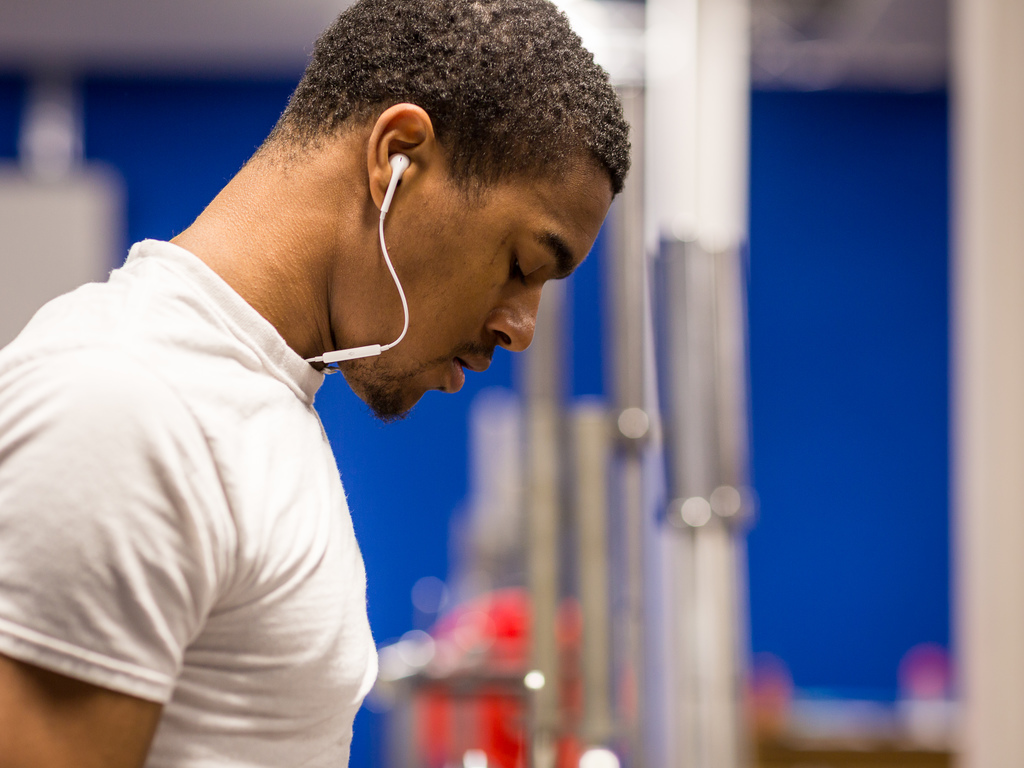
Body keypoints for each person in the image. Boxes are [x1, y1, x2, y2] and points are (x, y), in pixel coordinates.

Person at [0, 0, 629, 765]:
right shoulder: (125, 407)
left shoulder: (253, 401)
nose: (521, 328)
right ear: (397, 156)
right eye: (524, 264)